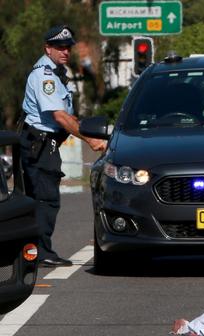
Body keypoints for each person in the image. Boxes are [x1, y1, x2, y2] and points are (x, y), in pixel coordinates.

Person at [19, 25, 106, 267]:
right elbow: (60, 116)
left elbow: (68, 115)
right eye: (59, 47)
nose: (65, 51)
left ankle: (36, 251)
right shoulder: (45, 76)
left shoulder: (57, 73)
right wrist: (91, 139)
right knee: (45, 199)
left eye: (68, 47)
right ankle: (41, 253)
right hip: (40, 142)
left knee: (44, 198)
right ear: (48, 48)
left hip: (47, 143)